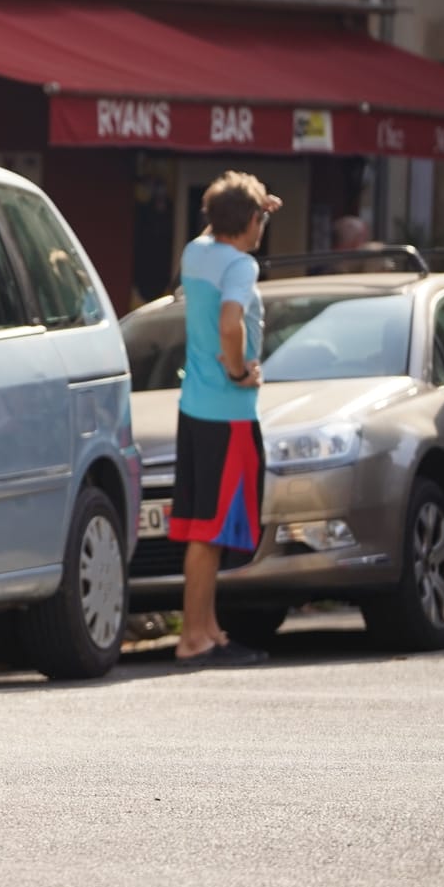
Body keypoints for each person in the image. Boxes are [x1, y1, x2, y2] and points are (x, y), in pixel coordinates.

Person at [171, 171, 282, 668]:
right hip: (228, 412)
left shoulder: (196, 254)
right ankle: (193, 638)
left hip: (195, 409)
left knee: (203, 527)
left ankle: (208, 630)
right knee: (211, 530)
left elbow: (213, 230)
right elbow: (230, 322)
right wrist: (239, 371)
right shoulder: (240, 266)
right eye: (259, 220)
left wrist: (251, 207)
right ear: (252, 223)